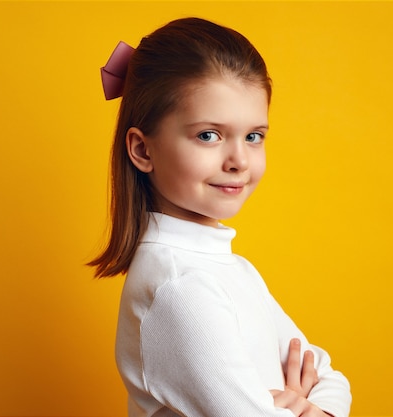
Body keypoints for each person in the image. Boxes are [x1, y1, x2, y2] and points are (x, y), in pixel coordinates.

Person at [89, 17, 352, 417]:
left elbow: (329, 376)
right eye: (208, 135)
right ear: (143, 150)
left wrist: (309, 407)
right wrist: (305, 406)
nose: (239, 161)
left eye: (254, 136)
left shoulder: (228, 268)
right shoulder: (180, 286)